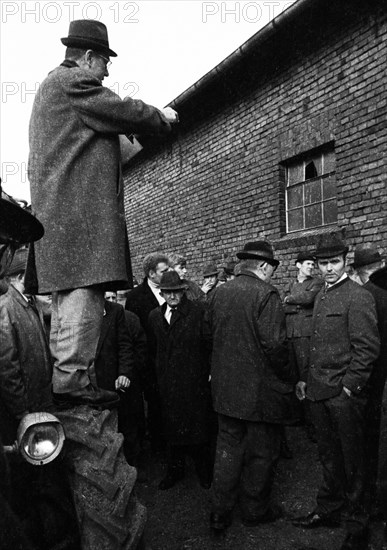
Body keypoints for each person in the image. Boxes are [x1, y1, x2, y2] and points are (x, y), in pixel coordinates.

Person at [27, 19, 178, 407]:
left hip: (61, 223)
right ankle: (74, 380)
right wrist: (161, 117)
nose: (108, 71)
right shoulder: (73, 82)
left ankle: (69, 378)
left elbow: (108, 139)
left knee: (66, 304)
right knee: (84, 296)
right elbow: (121, 108)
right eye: (105, 62)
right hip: (80, 224)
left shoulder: (54, 90)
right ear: (89, 57)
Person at [293, 235, 380, 550]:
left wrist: (348, 387)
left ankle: (358, 524)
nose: (328, 268)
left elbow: (367, 349)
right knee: (329, 456)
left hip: (343, 395)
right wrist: (305, 378)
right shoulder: (321, 294)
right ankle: (329, 510)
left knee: (354, 459)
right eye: (323, 263)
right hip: (318, 391)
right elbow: (315, 344)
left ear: (345, 262)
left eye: (334, 262)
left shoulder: (357, 296)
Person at [208, 241, 295, 532]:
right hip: (260, 394)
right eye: (271, 269)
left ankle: (219, 513)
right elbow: (276, 345)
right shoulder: (266, 294)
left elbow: (209, 337)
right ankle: (255, 510)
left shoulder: (218, 293)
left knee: (227, 452)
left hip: (225, 393)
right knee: (260, 454)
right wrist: (288, 377)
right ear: (263, 266)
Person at [0, 248, 81, 550]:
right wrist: (23, 413)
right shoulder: (6, 309)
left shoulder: (29, 304)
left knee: (50, 482)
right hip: (29, 416)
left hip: (42, 409)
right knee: (36, 487)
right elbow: (8, 370)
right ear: (20, 277)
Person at [148, 271, 213, 490]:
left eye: (176, 292)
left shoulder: (197, 312)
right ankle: (174, 471)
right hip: (168, 384)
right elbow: (154, 349)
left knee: (199, 429)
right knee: (172, 430)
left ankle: (205, 472)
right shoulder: (155, 316)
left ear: (183, 292)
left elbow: (209, 345)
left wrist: (209, 372)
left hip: (193, 382)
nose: (173, 297)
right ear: (162, 293)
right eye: (168, 292)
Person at [350, 245, 387, 518]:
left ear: (359, 272)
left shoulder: (367, 295)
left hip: (376, 382)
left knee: (371, 448)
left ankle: (369, 507)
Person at [125, 252, 170, 452]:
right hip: (152, 363)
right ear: (151, 274)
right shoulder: (135, 298)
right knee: (155, 405)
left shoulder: (173, 290)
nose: (169, 273)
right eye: (164, 271)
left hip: (174, 360)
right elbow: (134, 335)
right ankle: (159, 446)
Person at [283, 251, 323, 438]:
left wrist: (290, 300)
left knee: (306, 376)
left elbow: (309, 299)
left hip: (305, 335)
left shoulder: (316, 283)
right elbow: (281, 306)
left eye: (312, 265)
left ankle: (313, 423)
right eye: (307, 264)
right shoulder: (290, 284)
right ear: (298, 265)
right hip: (290, 335)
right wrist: (296, 304)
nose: (311, 267)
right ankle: (297, 417)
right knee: (292, 375)